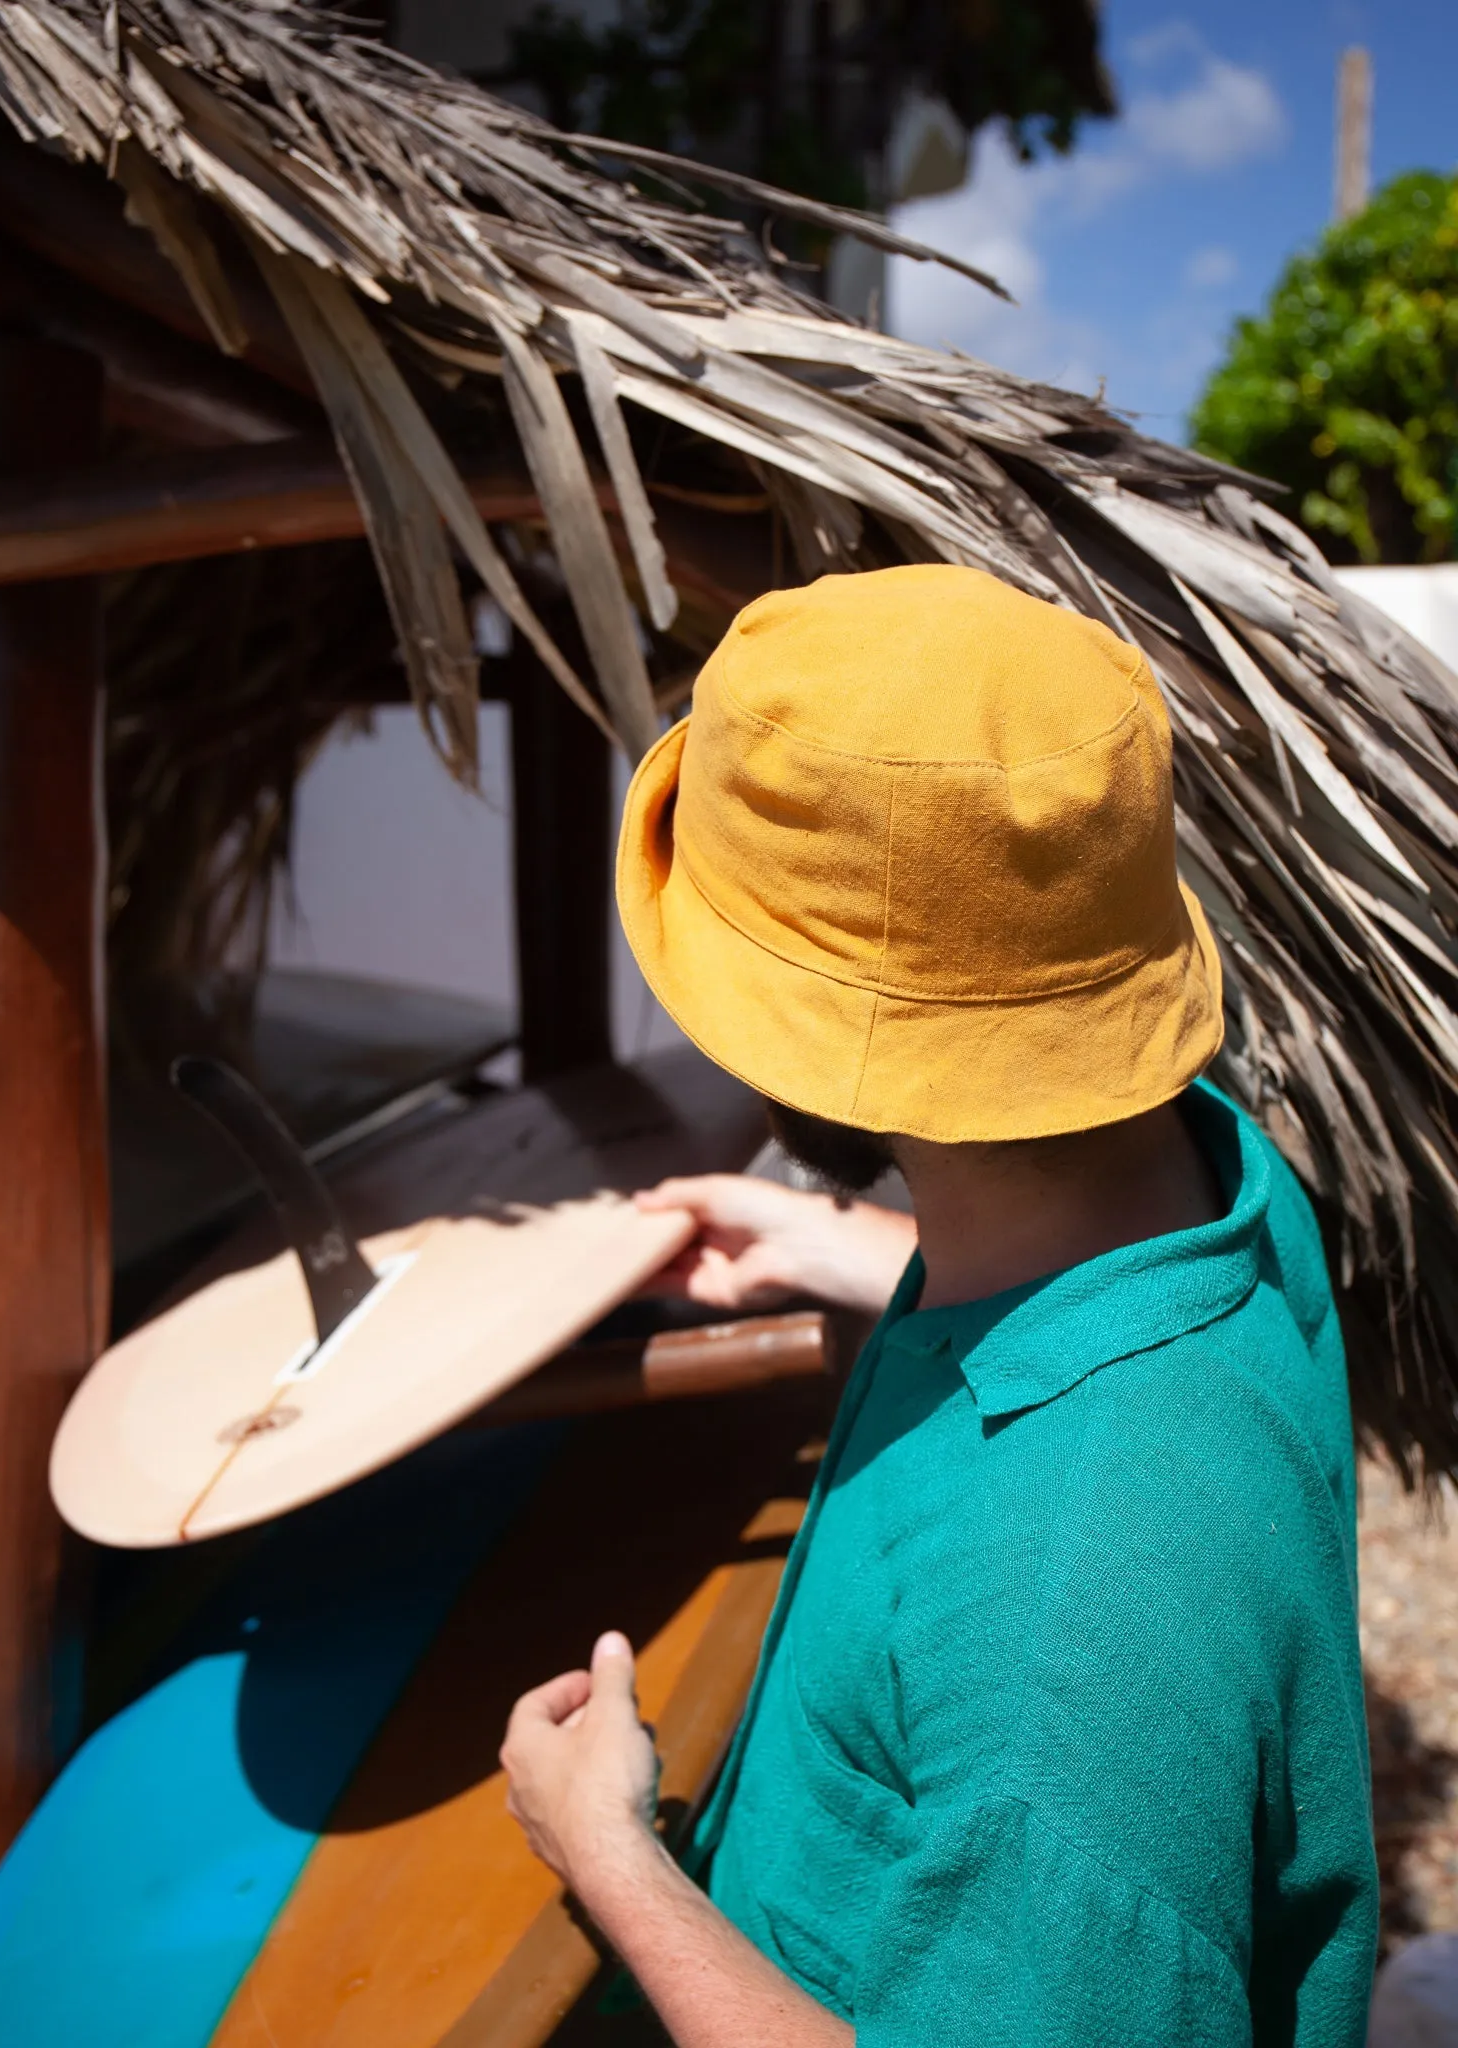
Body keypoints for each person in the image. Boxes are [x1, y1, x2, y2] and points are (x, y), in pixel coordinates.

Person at [499, 567, 1376, 2046]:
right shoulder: (1218, 1179)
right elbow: (1097, 1321)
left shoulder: (1072, 1607)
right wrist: (837, 1243)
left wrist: (610, 1852)